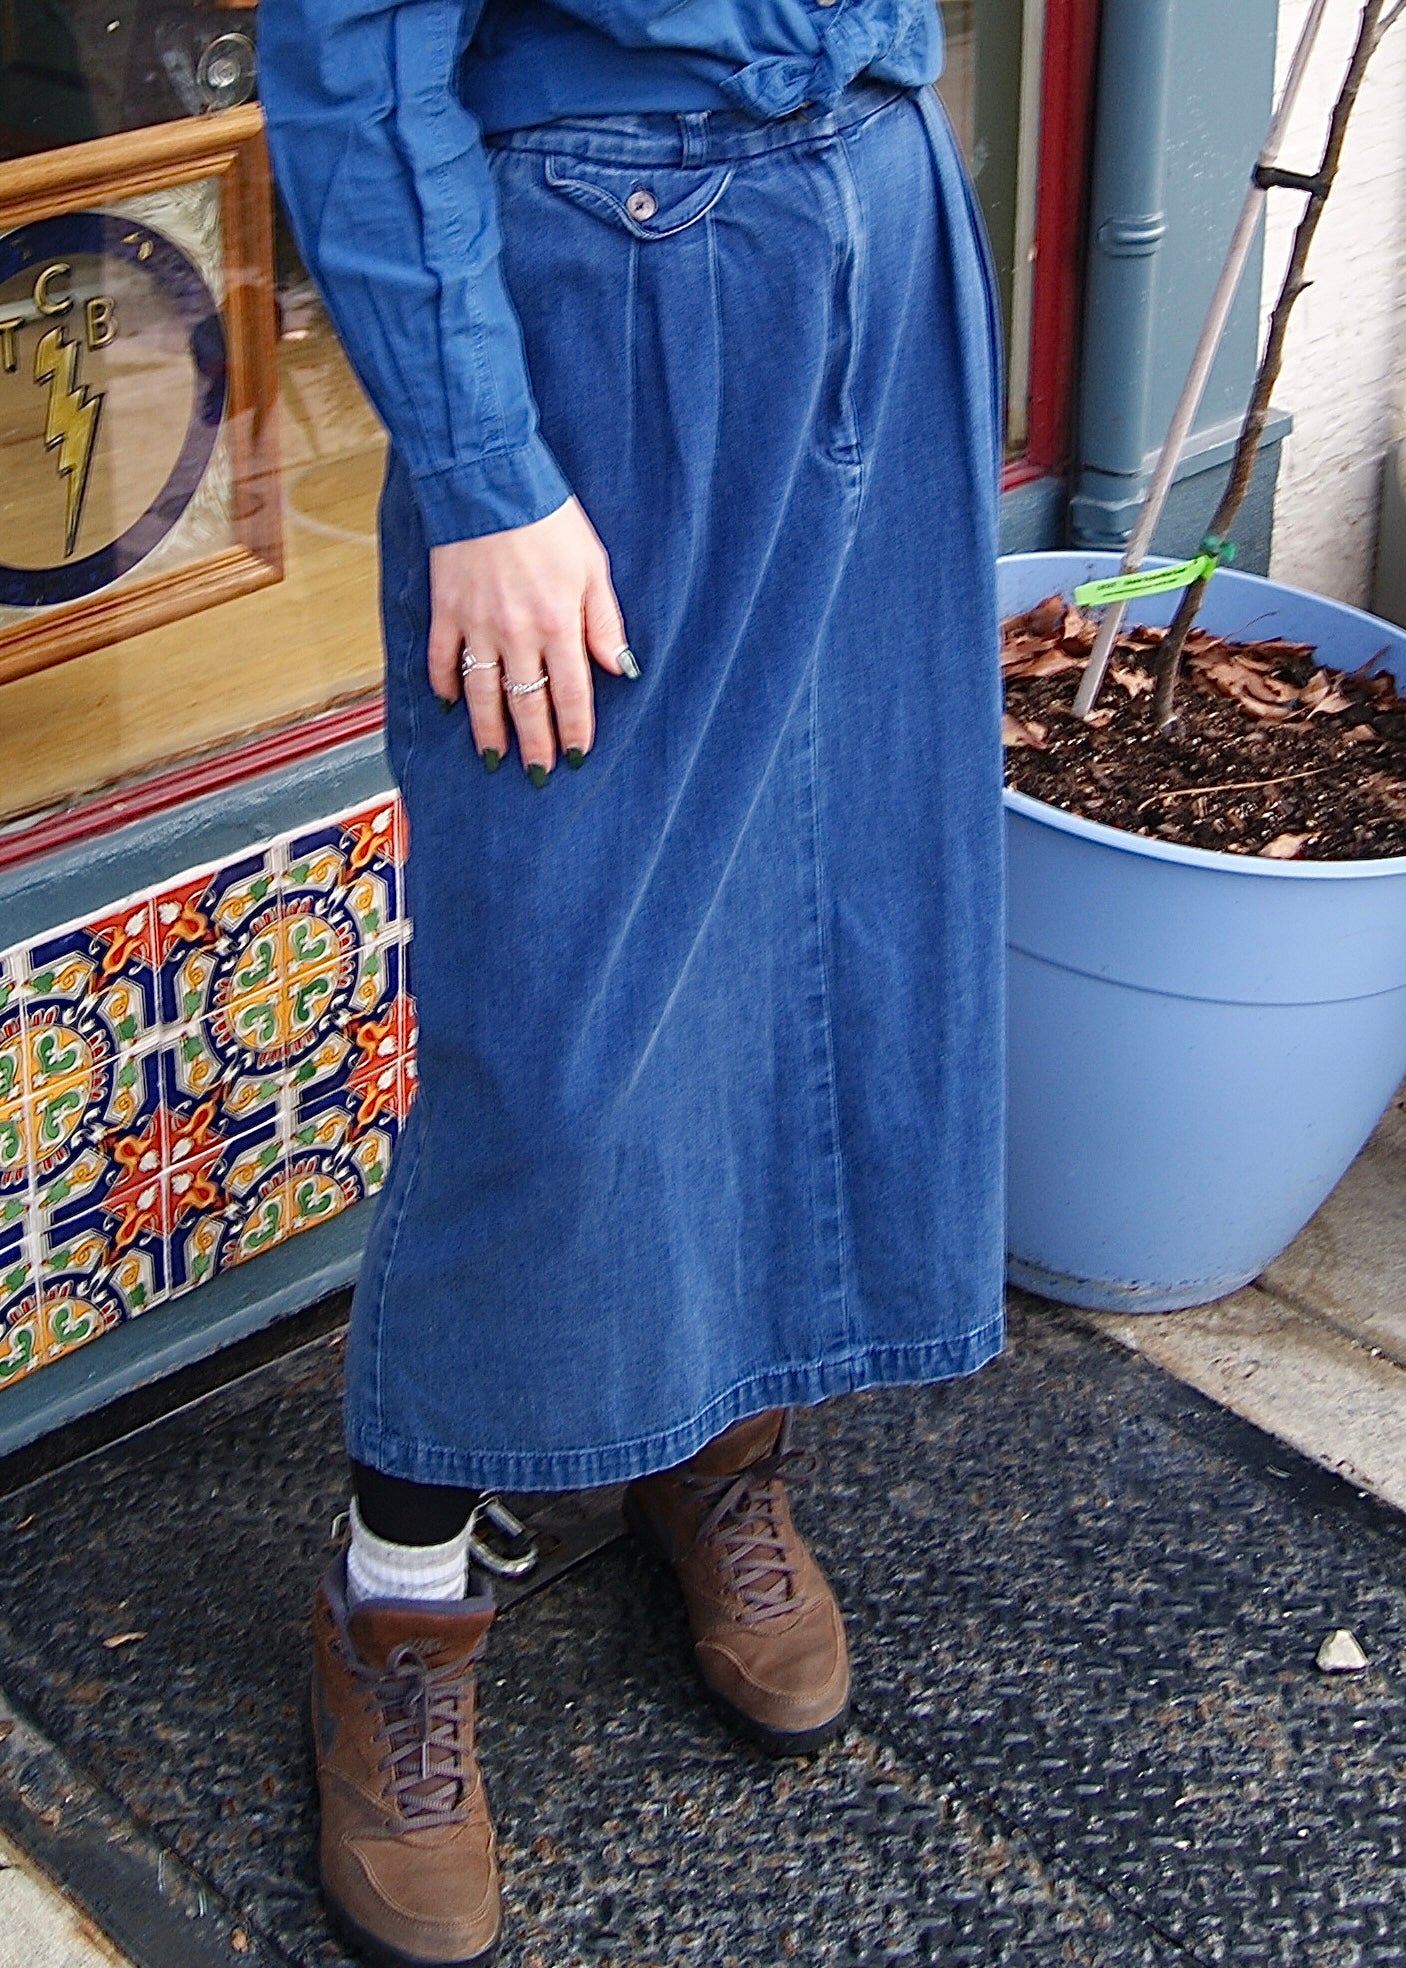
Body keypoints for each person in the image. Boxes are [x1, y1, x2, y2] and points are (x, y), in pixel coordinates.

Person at [260, 0, 1006, 1954]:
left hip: (878, 228)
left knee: (835, 940)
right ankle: (397, 1608)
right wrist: (484, 470)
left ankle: (712, 1439)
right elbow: (348, 52)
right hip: (606, 301)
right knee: (562, 1017)